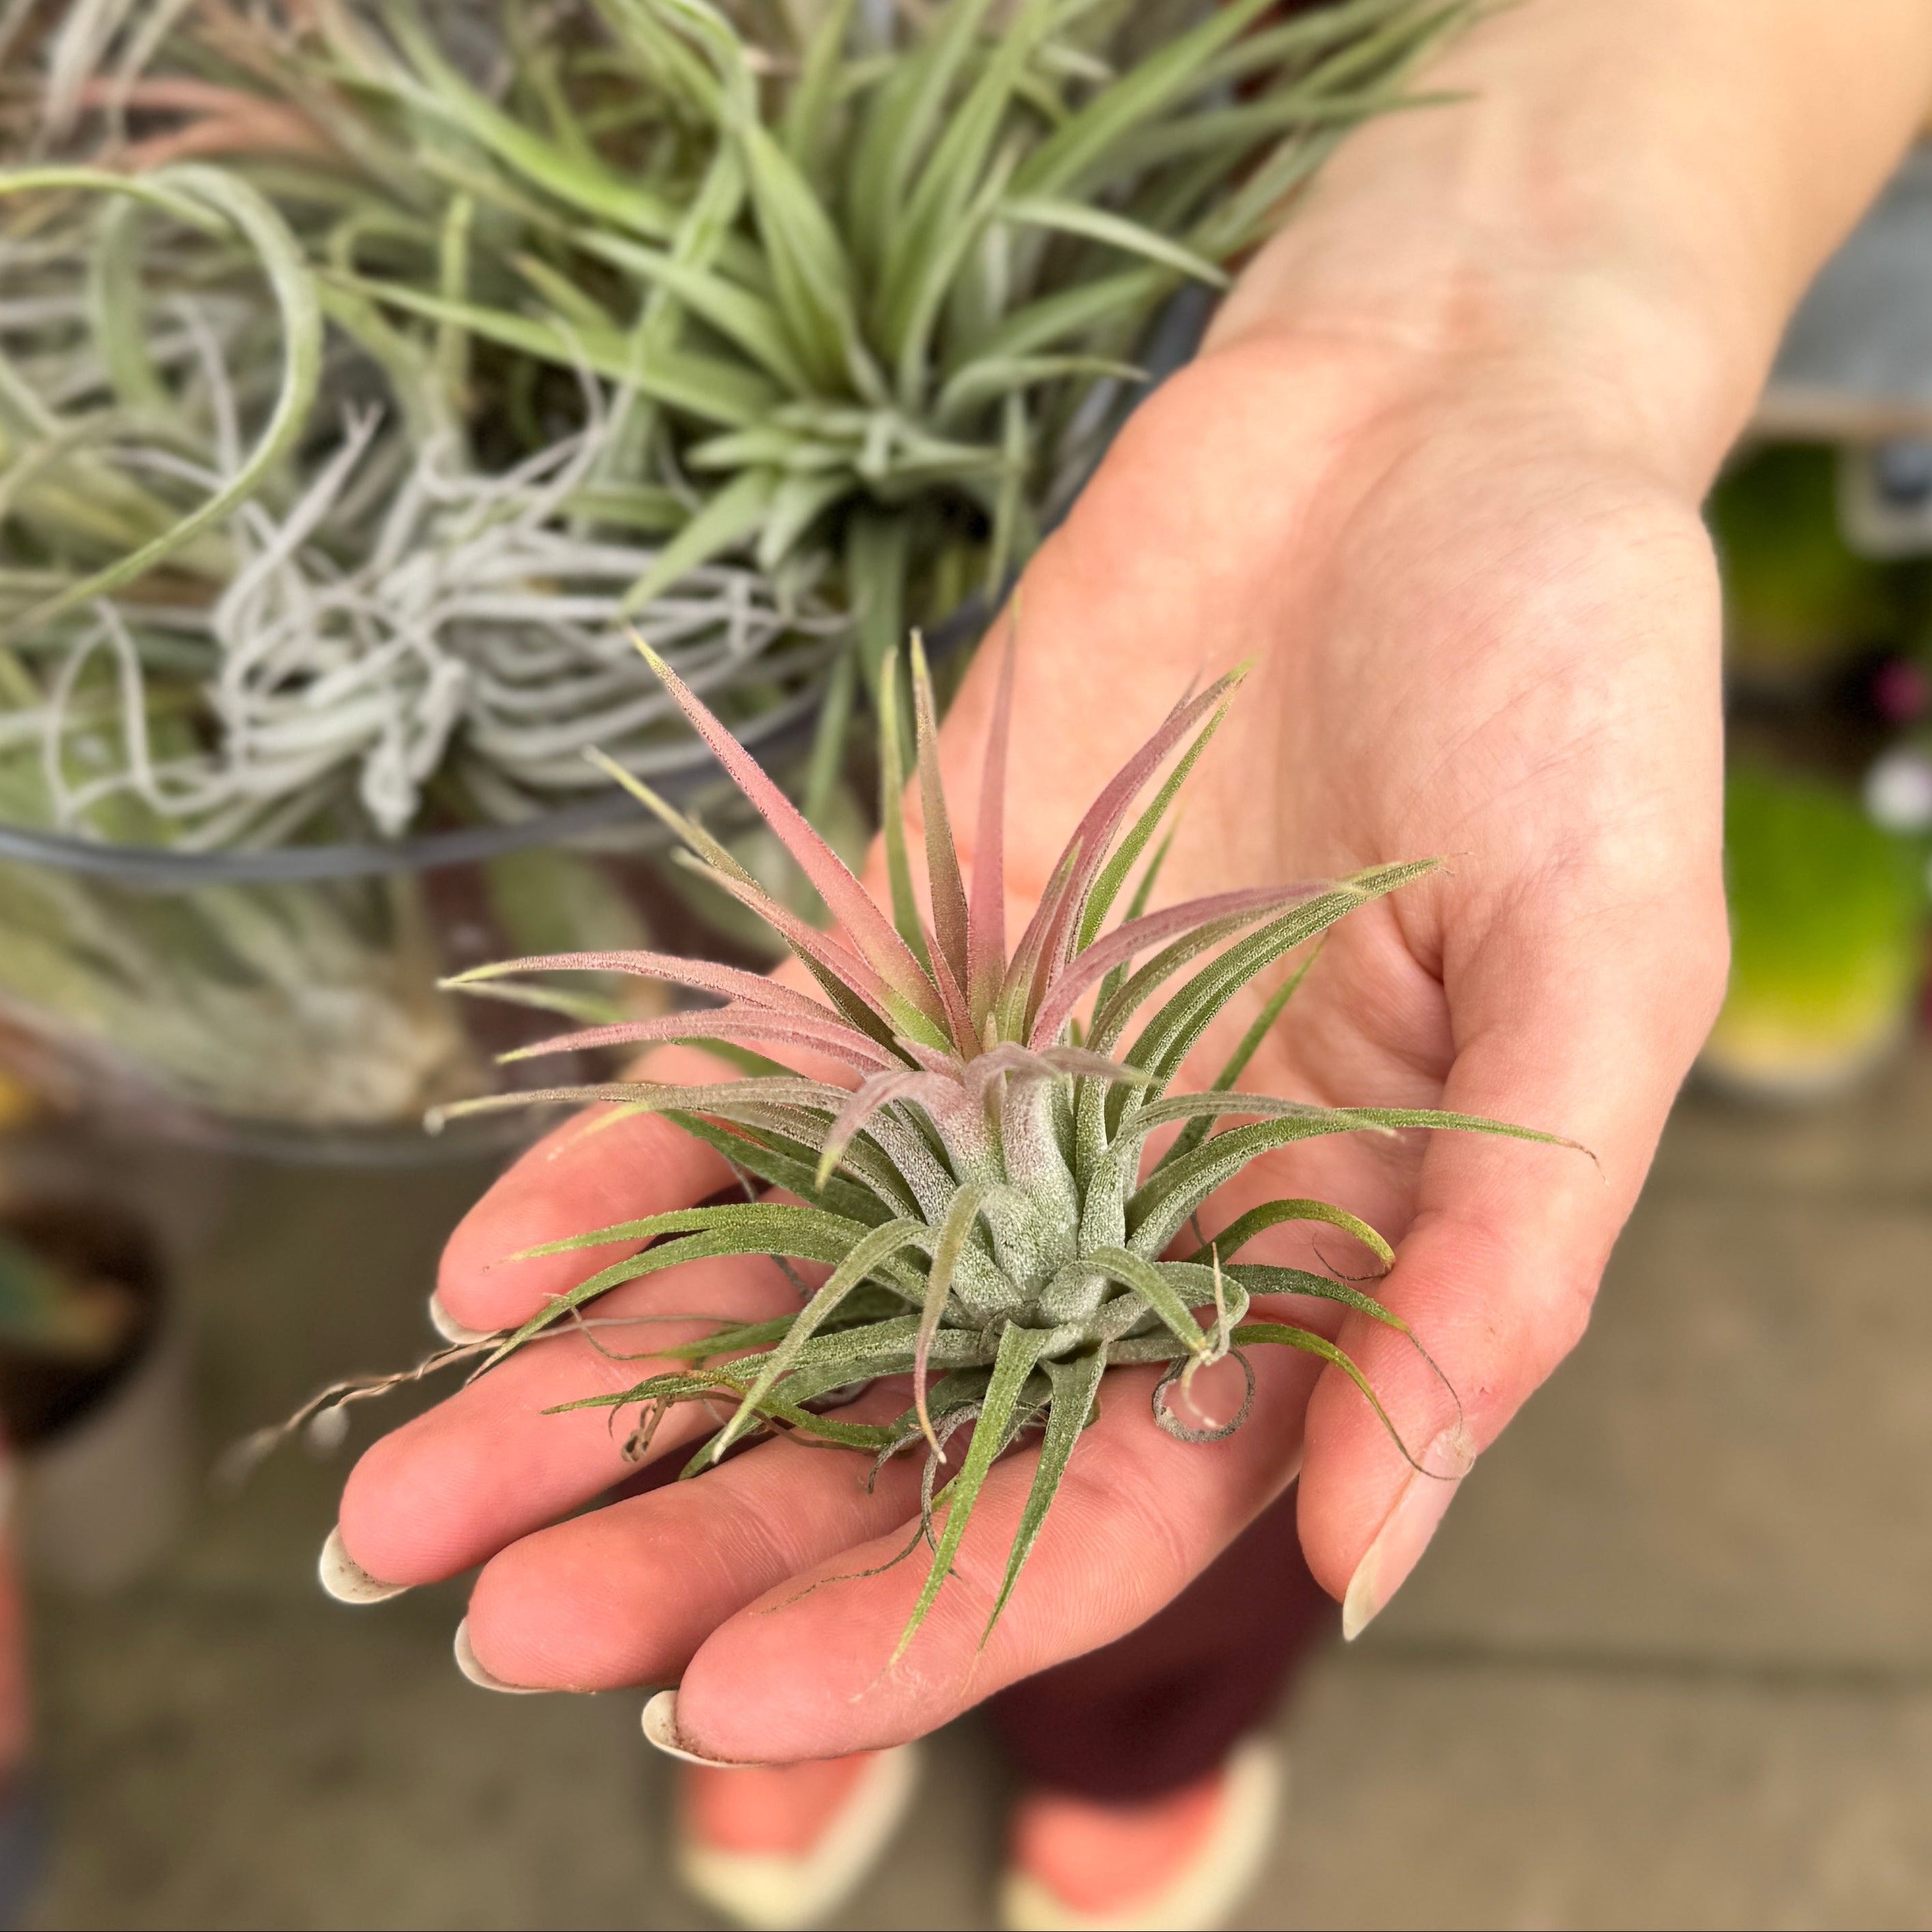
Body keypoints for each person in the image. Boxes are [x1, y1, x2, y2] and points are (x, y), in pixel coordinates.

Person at [319, 5, 1932, 1927]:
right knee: (712, 1141)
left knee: (1276, 1272)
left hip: (1262, 269)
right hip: (636, 496)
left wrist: (1484, 325)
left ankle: (1141, 1726)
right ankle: (851, 1648)